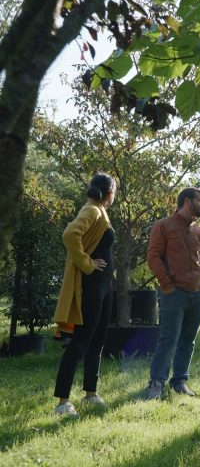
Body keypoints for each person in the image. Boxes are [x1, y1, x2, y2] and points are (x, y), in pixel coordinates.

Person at [53, 173, 117, 416]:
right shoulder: (92, 210)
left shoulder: (101, 211)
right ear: (109, 192)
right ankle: (62, 402)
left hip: (103, 287)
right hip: (91, 286)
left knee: (97, 342)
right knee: (80, 342)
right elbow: (70, 235)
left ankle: (91, 393)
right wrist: (88, 264)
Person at [145, 187, 200, 400]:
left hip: (198, 294)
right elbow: (153, 257)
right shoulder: (163, 226)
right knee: (168, 339)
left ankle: (180, 382)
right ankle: (156, 383)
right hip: (173, 293)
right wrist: (167, 284)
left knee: (188, 340)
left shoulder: (199, 230)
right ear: (186, 200)